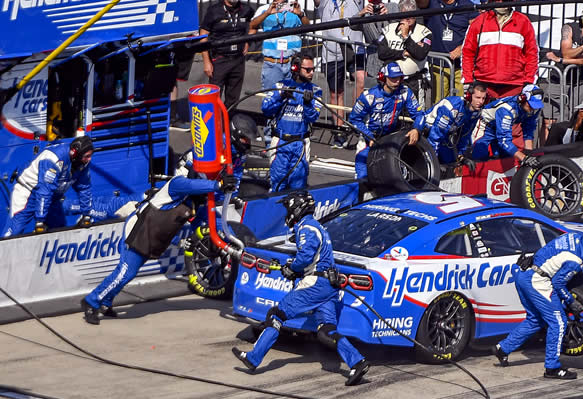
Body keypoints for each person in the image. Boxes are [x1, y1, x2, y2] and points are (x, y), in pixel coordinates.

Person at [232, 191, 370, 386]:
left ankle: (254, 357)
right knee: (326, 330)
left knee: (277, 314)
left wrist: (292, 268)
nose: (287, 213)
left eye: (288, 208)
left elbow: (305, 257)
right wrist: (297, 268)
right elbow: (314, 259)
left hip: (316, 284)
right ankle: (357, 361)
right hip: (328, 285)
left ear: (296, 209)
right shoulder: (318, 227)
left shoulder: (306, 228)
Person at [81, 171, 238, 324]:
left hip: (153, 236)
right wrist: (218, 185)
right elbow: (193, 185)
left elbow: (203, 227)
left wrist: (189, 242)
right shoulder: (178, 184)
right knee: (125, 273)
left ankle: (105, 302)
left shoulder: (196, 203)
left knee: (127, 273)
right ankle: (91, 302)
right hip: (139, 230)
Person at [491, 224, 583, 379]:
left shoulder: (572, 236)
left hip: (523, 274)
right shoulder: (576, 259)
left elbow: (550, 248)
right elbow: (558, 283)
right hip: (538, 281)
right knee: (559, 322)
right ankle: (552, 368)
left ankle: (503, 348)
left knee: (535, 320)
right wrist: (570, 301)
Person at [461, 0, 538, 150]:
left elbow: (532, 54)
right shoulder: (479, 22)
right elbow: (467, 52)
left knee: (513, 130)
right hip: (485, 87)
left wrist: (529, 83)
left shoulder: (523, 22)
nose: (501, 2)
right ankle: (482, 168)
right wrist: (468, 81)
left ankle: (515, 169)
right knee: (482, 131)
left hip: (514, 87)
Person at [3, 136, 94, 237]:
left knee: (57, 230)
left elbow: (84, 187)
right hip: (27, 191)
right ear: (76, 153)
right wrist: (40, 221)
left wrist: (86, 214)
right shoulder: (54, 158)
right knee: (14, 232)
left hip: (52, 197)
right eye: (87, 156)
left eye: (90, 156)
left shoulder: (83, 163)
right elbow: (45, 190)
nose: (89, 159)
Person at [349, 62, 424, 178]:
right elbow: (354, 119)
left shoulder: (405, 92)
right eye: (393, 78)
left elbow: (420, 114)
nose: (397, 81)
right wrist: (369, 136)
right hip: (368, 140)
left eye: (399, 78)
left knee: (390, 177)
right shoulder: (369, 96)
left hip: (390, 139)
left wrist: (416, 129)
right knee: (362, 178)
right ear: (383, 78)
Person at [262, 54, 322, 192]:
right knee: (277, 185)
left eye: (313, 69)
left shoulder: (316, 91)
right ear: (295, 68)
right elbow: (266, 109)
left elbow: (313, 117)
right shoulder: (280, 86)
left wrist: (307, 104)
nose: (312, 73)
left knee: (298, 186)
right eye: (308, 70)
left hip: (301, 143)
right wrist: (280, 96)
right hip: (281, 143)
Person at [315, 0, 370, 148]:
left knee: (361, 81)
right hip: (332, 51)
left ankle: (357, 120)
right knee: (336, 93)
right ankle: (340, 130)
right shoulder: (324, 3)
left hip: (354, 47)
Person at [543, 7, 583, 129]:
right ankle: (545, 148)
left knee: (576, 118)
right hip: (558, 78)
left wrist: (560, 60)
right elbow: (566, 52)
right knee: (549, 121)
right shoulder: (569, 28)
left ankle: (569, 145)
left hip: (580, 82)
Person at [407, 81, 488, 166]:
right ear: (468, 96)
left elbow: (465, 135)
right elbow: (435, 136)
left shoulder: (476, 112)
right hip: (427, 131)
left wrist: (461, 156)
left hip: (444, 136)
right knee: (430, 164)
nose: (481, 101)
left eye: (483, 98)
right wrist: (433, 163)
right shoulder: (451, 107)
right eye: (477, 97)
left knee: (451, 161)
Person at [417, 0, 479, 103]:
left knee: (461, 102)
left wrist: (462, 47)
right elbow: (420, 3)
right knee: (439, 103)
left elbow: (476, 32)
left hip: (460, 66)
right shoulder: (432, 3)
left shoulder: (467, 5)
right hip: (438, 64)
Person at [199, 0, 255, 109]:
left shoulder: (246, 9)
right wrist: (206, 62)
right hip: (219, 58)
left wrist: (248, 41)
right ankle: (214, 122)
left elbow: (254, 25)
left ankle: (228, 121)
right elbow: (203, 35)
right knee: (214, 95)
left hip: (238, 59)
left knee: (233, 98)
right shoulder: (214, 11)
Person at [377, 0, 433, 106]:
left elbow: (420, 55)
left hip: (413, 83)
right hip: (390, 81)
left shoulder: (425, 32)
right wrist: (402, 53)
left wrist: (406, 37)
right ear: (400, 12)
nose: (407, 18)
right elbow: (381, 53)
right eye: (404, 14)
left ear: (415, 14)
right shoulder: (388, 29)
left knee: (412, 117)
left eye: (411, 15)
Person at [470, 84, 543, 162]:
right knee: (479, 157)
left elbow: (529, 129)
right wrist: (524, 158)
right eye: (531, 105)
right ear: (522, 98)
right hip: (484, 127)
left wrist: (529, 154)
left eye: (536, 105)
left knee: (507, 158)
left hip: (500, 128)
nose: (533, 108)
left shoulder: (534, 108)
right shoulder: (507, 109)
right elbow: (504, 140)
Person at [251, 0, 311, 91]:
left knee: (291, 99)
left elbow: (308, 27)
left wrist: (301, 14)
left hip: (292, 63)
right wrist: (267, 13)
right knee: (271, 98)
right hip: (272, 63)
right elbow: (252, 25)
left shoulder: (295, 8)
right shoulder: (264, 8)